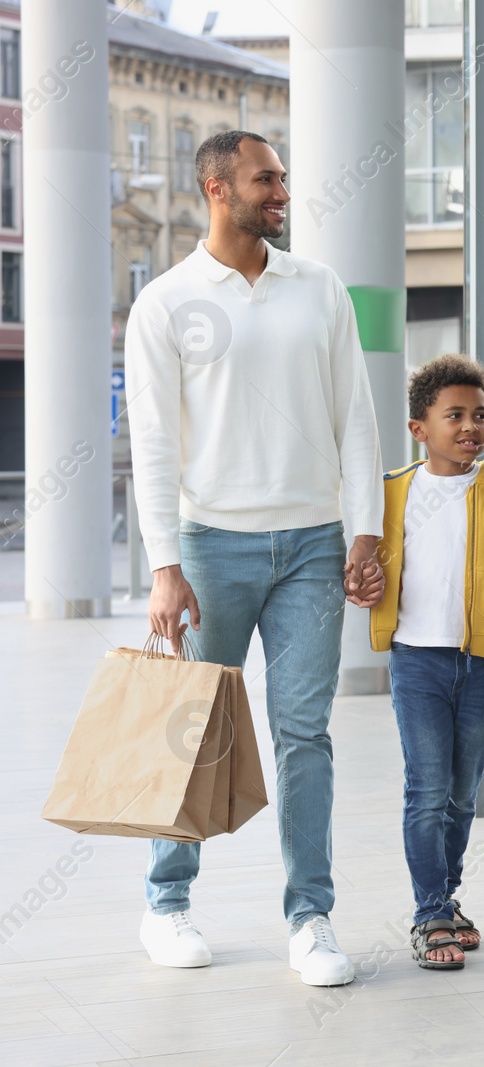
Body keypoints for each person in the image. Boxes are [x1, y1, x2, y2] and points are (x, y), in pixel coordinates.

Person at [125, 130, 384, 985]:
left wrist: (365, 529)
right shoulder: (165, 302)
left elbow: (357, 414)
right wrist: (165, 563)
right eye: (263, 178)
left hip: (312, 543)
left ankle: (311, 919)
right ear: (215, 187)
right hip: (210, 546)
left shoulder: (320, 288)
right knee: (193, 726)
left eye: (281, 178)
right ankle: (167, 901)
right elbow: (154, 444)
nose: (280, 190)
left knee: (304, 733)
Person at [368, 355, 484, 969]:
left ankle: (444, 898)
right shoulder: (391, 493)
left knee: (461, 794)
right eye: (454, 416)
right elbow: (363, 569)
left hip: (480, 663)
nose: (470, 426)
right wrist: (360, 583)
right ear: (420, 427)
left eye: (478, 415)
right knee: (426, 788)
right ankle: (429, 915)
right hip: (416, 661)